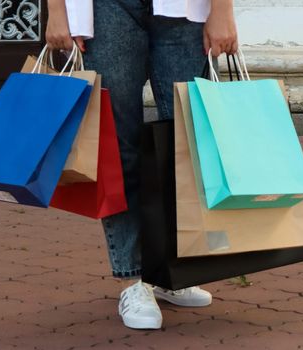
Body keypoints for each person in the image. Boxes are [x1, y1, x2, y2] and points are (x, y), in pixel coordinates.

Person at [45, 0, 239, 330]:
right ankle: (133, 278)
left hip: (185, 10)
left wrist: (222, 10)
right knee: (119, 145)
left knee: (186, 141)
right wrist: (57, 10)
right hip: (108, 10)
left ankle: (169, 271)